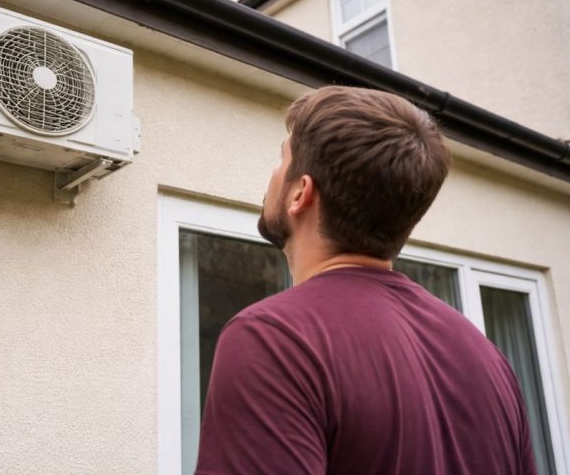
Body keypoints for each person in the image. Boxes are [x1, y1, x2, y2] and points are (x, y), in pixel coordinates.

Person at [195, 86, 536, 474]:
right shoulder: (488, 358)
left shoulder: (274, 340)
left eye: (281, 158)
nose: (273, 173)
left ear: (300, 193)